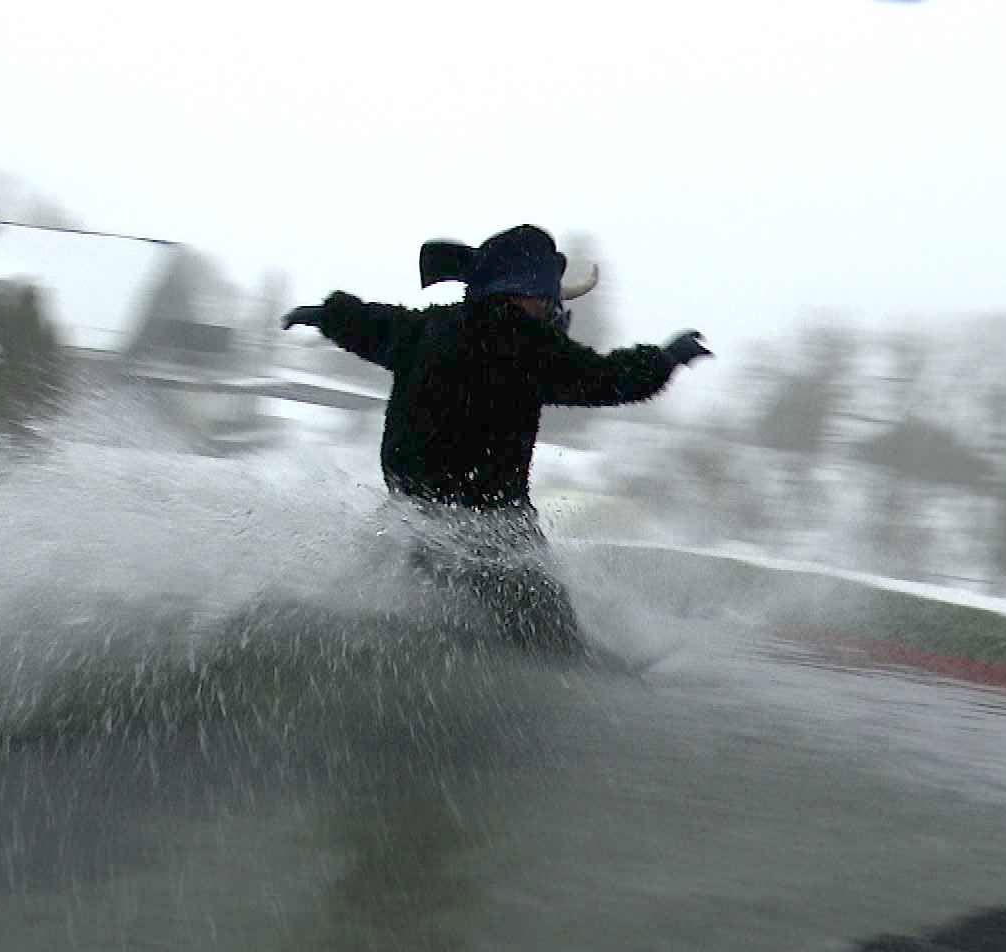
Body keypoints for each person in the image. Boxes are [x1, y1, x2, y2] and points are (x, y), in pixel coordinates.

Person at [280, 224, 712, 655]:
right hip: (493, 533)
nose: (550, 307)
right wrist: (666, 358)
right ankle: (564, 668)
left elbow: (368, 324)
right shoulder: (530, 347)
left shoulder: (426, 328)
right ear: (529, 291)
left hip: (411, 519)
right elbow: (608, 377)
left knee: (425, 607)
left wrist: (326, 315)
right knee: (550, 639)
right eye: (547, 299)